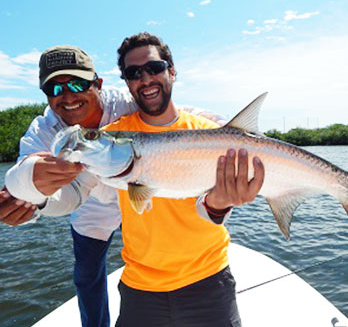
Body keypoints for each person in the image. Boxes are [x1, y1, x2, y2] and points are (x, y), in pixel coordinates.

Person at [2, 44, 226, 327]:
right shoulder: (43, 130)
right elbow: (31, 191)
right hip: (93, 201)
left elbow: (183, 116)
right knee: (86, 275)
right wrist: (29, 198)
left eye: (77, 83)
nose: (68, 96)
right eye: (54, 90)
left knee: (156, 250)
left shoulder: (128, 103)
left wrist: (241, 137)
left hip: (140, 190)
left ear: (98, 83)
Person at [102, 32, 265, 327]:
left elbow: (208, 207)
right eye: (134, 73)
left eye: (155, 68)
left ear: (172, 72)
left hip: (209, 282)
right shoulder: (111, 138)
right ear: (127, 82)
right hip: (141, 289)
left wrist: (219, 204)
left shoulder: (211, 132)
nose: (146, 78)